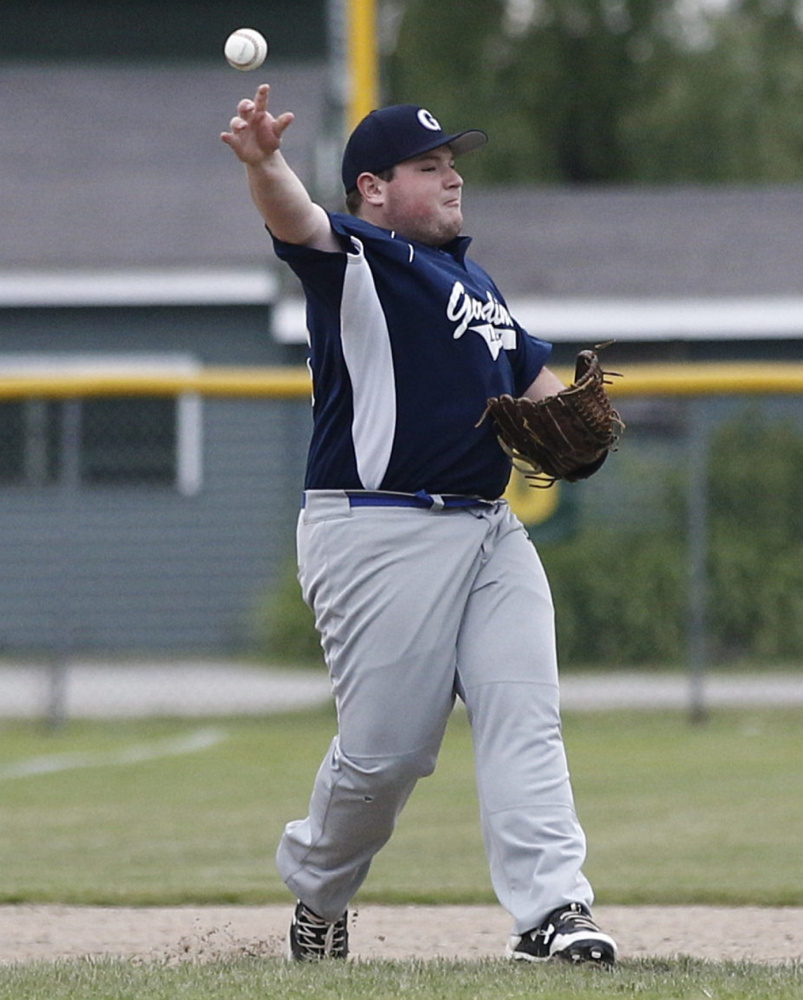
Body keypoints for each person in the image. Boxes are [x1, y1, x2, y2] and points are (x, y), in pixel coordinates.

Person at [221, 84, 617, 968]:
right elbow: (294, 221)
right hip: (376, 530)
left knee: (525, 713)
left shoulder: (476, 283)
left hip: (487, 531)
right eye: (428, 167)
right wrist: (265, 163)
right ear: (371, 187)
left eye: (454, 167)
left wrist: (584, 428)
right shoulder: (360, 256)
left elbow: (541, 386)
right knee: (386, 758)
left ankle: (553, 910)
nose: (452, 181)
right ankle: (318, 894)